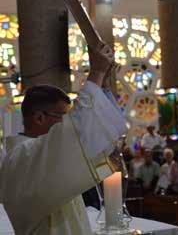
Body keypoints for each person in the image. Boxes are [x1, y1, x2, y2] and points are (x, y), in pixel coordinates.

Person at [0, 43, 127, 235]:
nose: (67, 122)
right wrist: (96, 74)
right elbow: (76, 129)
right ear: (39, 117)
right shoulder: (21, 158)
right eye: (62, 116)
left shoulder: (40, 153)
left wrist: (104, 85)